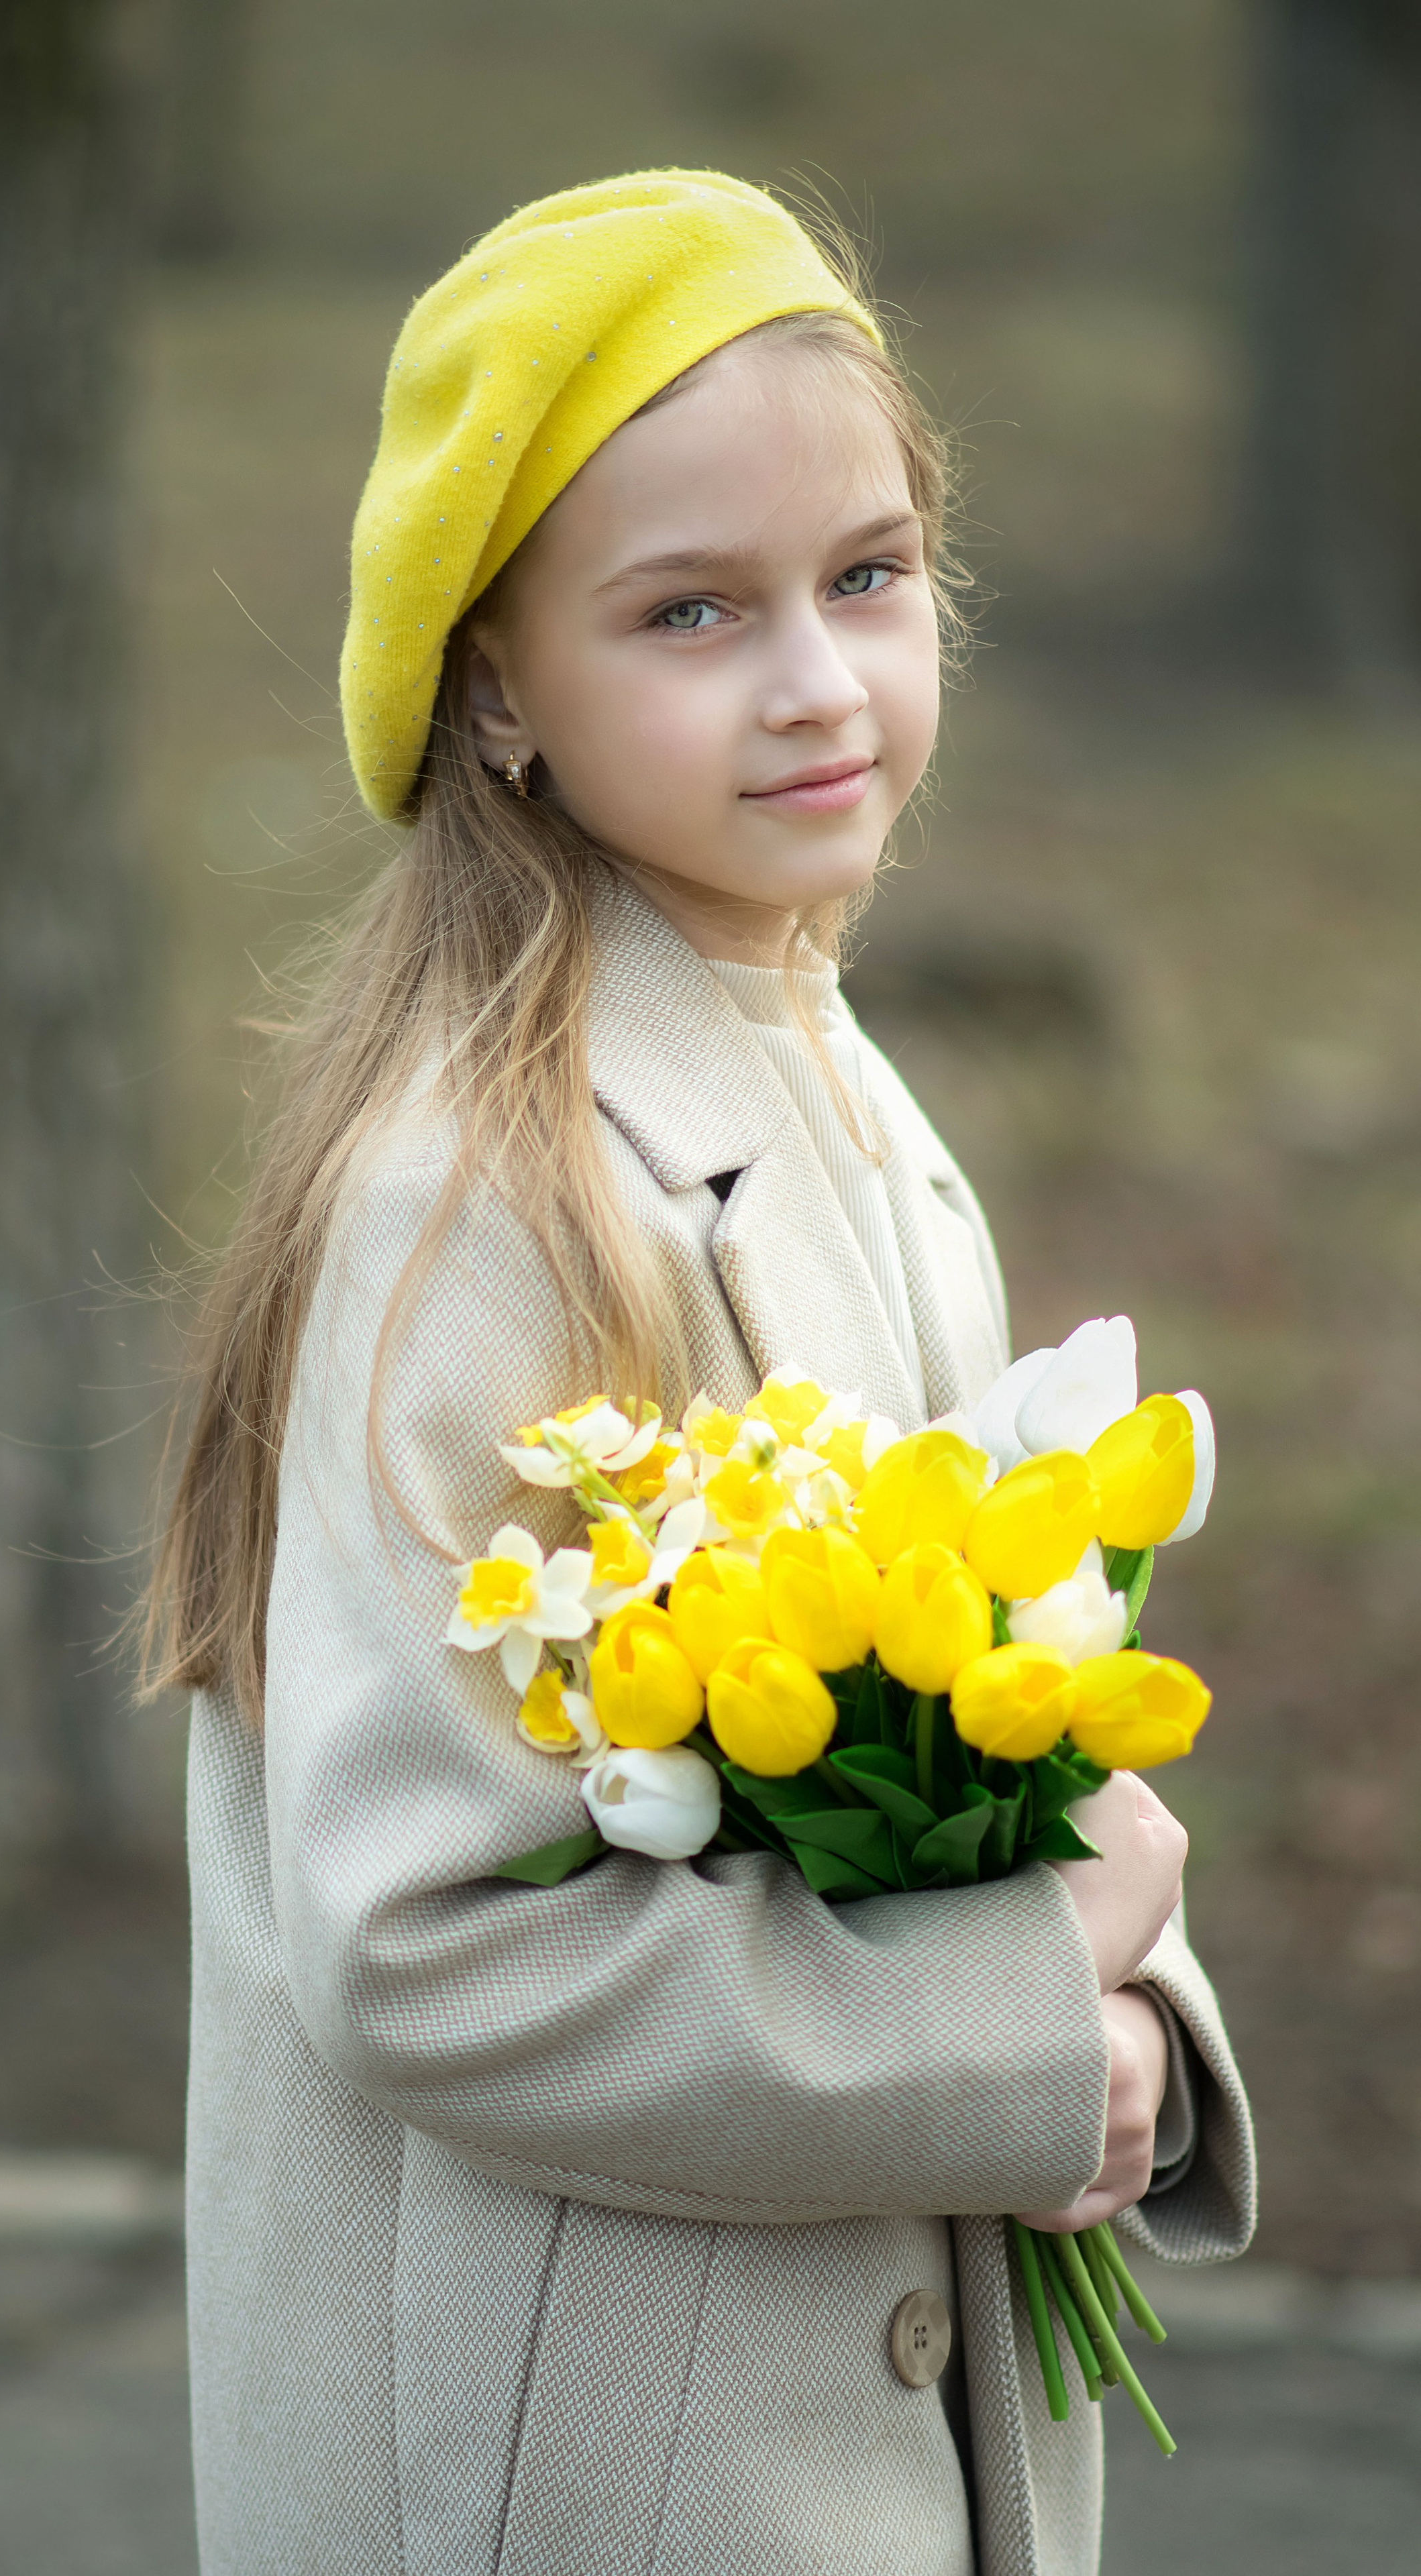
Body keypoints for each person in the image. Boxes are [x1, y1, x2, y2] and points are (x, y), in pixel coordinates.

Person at [144, 171, 1255, 2576]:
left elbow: (991, 1739)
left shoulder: (841, 1088)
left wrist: (1131, 2034)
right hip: (608, 2479)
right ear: (500, 687)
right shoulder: (477, 1199)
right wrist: (1010, 2044)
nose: (817, 681)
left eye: (865, 576)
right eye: (689, 615)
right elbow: (429, 1946)